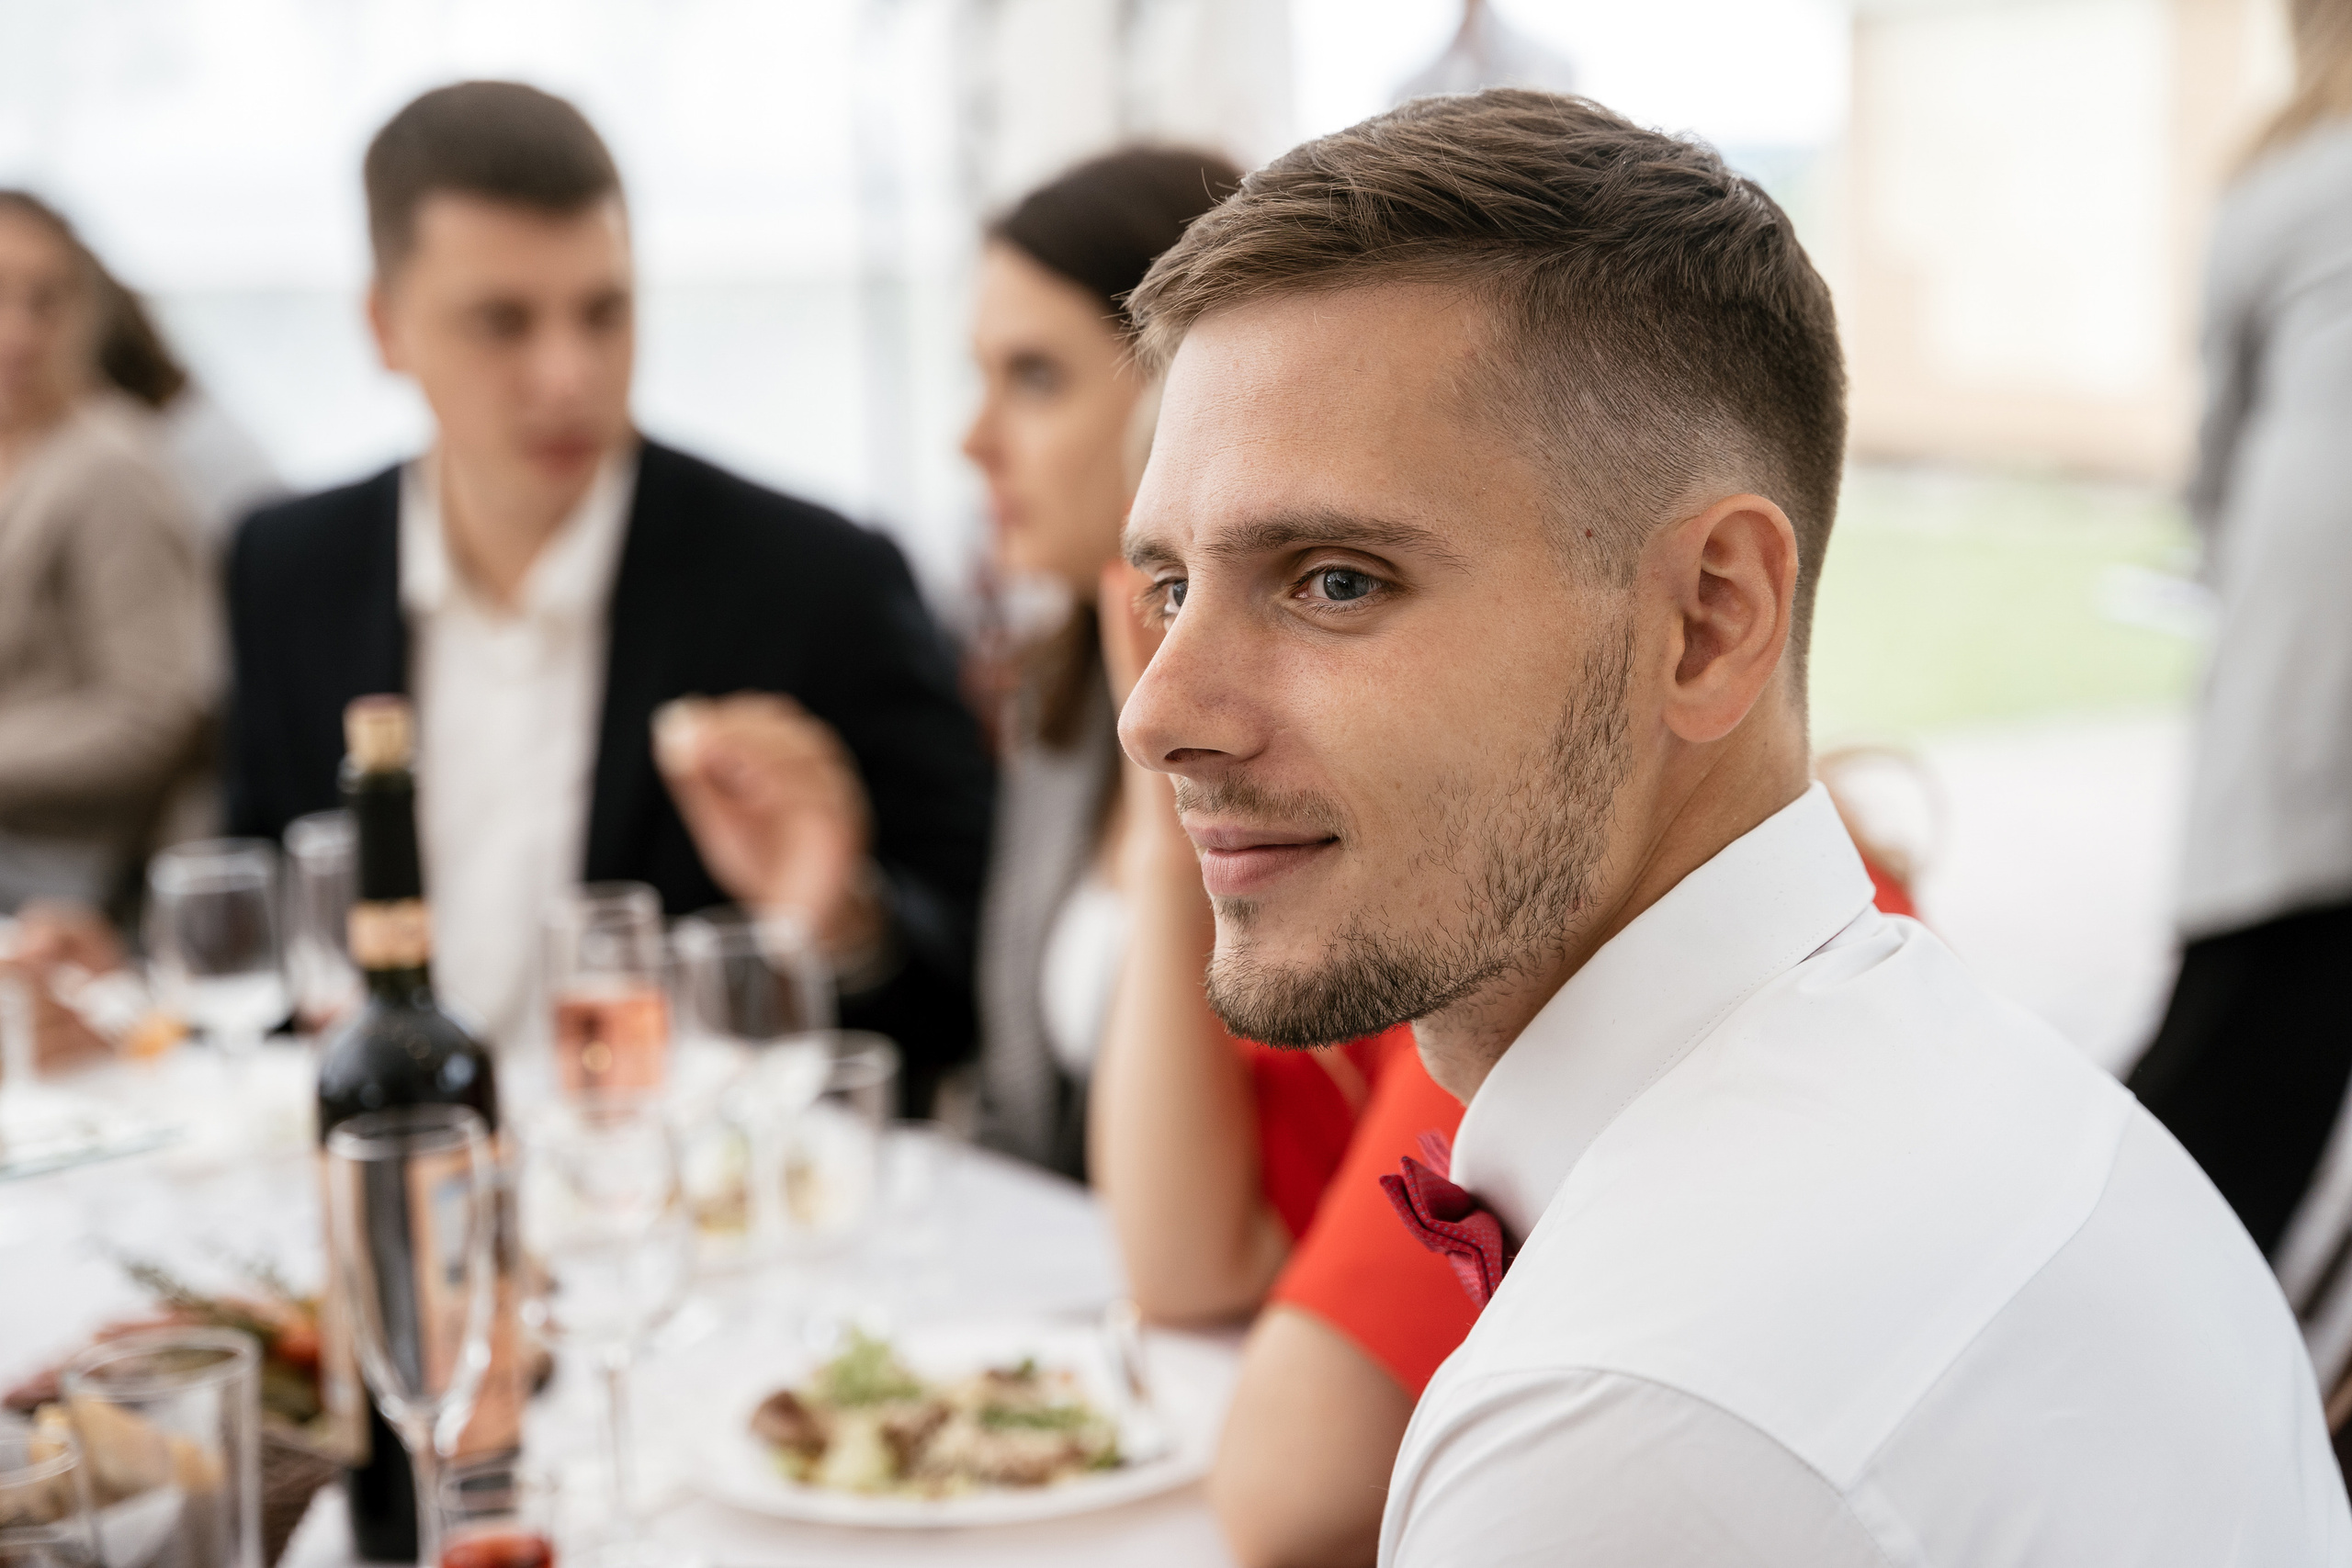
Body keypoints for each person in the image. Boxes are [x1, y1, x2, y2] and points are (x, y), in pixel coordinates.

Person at [1116, 89, 2346, 1564]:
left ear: (1709, 620)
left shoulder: (1619, 1416)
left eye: (1335, 580)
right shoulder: (2015, 1090)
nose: (1158, 712)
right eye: (1170, 587)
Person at [222, 83, 992, 1089]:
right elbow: (276, 939)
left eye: (604, 312)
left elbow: (970, 985)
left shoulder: (816, 579)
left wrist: (841, 917)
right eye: (503, 322)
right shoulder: (286, 569)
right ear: (384, 328)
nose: (568, 374)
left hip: (689, 1199)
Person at [2128, 0, 2352, 1265]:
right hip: (2319, 635)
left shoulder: (2283, 176)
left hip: (2308, 623)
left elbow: (2214, 447)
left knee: (2249, 1019)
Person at [0, 191, 214, 917]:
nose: (20, 329)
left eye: (45, 300)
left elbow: (147, 716)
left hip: (54, 863)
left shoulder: (108, 464)